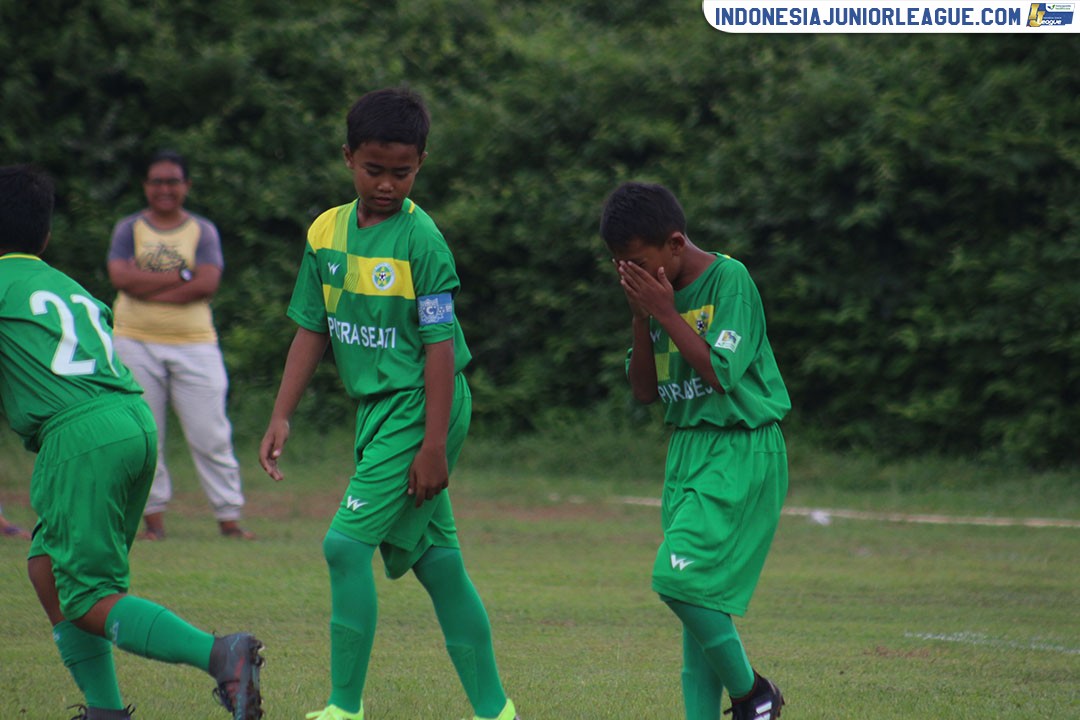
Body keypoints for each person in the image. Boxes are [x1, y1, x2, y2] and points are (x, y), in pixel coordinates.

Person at [258, 87, 518, 720]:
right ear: (348, 157)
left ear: (420, 164)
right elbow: (313, 328)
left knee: (343, 547)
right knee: (437, 562)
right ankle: (497, 712)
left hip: (421, 404)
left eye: (401, 172)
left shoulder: (422, 241)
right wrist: (282, 412)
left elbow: (440, 350)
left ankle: (343, 709)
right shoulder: (326, 232)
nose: (386, 184)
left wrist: (434, 446)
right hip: (378, 412)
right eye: (374, 169)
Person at [0, 164, 263, 719]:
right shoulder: (65, 285)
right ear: (45, 235)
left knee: (89, 597)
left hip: (79, 437)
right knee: (47, 567)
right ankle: (104, 710)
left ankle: (221, 655)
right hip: (132, 420)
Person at [599, 182, 790, 720]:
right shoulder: (656, 298)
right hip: (686, 450)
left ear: (676, 243)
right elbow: (644, 390)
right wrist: (641, 317)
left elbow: (720, 373)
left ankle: (753, 693)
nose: (633, 275)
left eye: (639, 263)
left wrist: (664, 312)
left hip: (739, 447)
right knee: (697, 606)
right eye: (622, 267)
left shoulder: (730, 281)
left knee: (677, 579)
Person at [106, 150, 252, 540]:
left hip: (194, 343)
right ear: (145, 186)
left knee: (210, 433)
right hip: (134, 341)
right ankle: (153, 521)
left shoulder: (202, 230)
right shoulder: (129, 229)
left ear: (186, 185)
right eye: (156, 181)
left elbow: (207, 284)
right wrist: (181, 277)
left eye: (173, 181)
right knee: (145, 434)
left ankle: (229, 519)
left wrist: (147, 287)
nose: (165, 189)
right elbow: (121, 278)